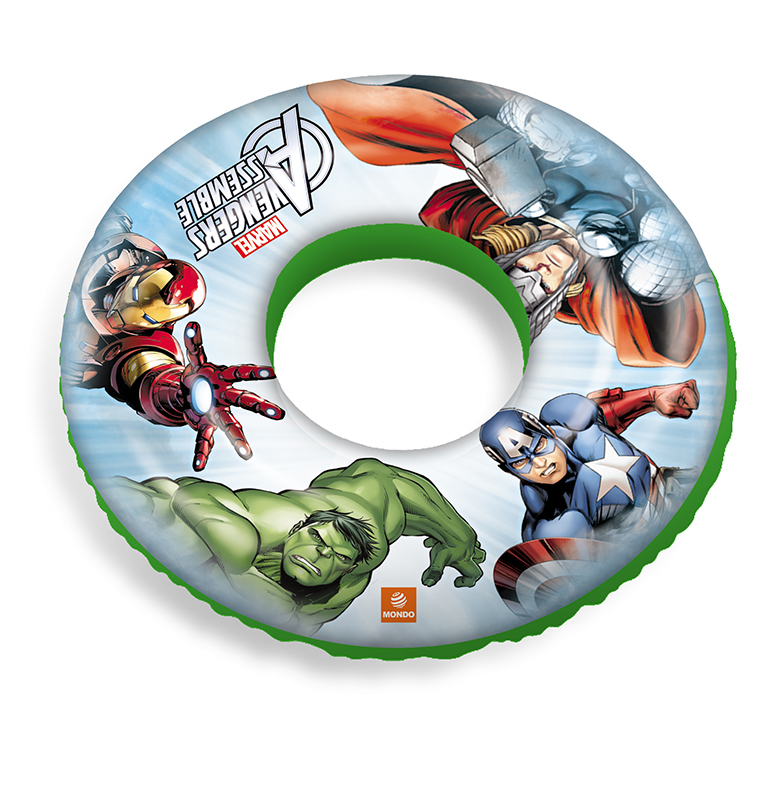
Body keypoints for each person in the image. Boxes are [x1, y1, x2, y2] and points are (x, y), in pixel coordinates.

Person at [307, 78, 706, 367]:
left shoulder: (497, 216)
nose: (543, 270)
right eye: (544, 286)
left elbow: (452, 202)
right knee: (655, 274)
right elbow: (667, 347)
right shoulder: (593, 289)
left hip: (569, 132)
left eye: (524, 270)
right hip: (653, 195)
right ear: (554, 297)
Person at [112, 458, 486, 635]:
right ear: (298, 529)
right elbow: (189, 493)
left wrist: (460, 537)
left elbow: (294, 627)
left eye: (337, 557)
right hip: (356, 489)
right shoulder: (274, 518)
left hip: (379, 492)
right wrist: (237, 558)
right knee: (164, 508)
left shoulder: (347, 585)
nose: (320, 555)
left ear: (349, 568)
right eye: (318, 540)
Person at [62, 208, 284, 471]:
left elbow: (149, 375)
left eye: (148, 317)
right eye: (137, 295)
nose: (123, 316)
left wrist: (183, 395)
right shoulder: (114, 246)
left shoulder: (148, 343)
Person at [479, 381, 700, 541]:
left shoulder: (576, 429)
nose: (539, 464)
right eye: (520, 463)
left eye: (539, 447)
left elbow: (600, 419)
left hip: (671, 492)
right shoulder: (540, 513)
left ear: (551, 434)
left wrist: (653, 397)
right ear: (510, 471)